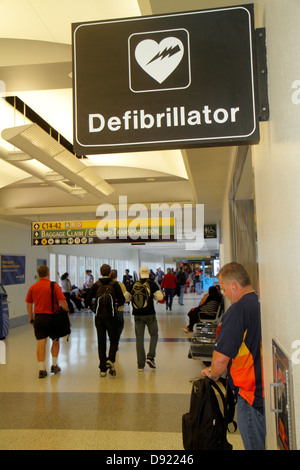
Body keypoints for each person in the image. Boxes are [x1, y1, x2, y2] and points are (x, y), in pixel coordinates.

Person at [201, 262, 266, 450]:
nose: (224, 294)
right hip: (265, 388)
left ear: (234, 286)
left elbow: (221, 359)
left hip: (249, 393)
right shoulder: (260, 302)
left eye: (223, 289)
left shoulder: (237, 310)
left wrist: (212, 372)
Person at [26, 265, 69, 379]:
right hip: (52, 318)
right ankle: (54, 365)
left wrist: (31, 318)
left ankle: (41, 369)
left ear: (39, 274)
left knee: (41, 343)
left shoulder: (33, 287)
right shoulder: (53, 286)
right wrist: (67, 311)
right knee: (55, 341)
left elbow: (29, 304)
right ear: (48, 273)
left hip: (39, 318)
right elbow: (62, 301)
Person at [86, 264, 125, 377]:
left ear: (100, 272)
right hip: (112, 317)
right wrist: (115, 306)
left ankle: (102, 369)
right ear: (109, 273)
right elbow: (122, 300)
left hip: (99, 318)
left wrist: (95, 309)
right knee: (114, 339)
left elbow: (87, 301)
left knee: (101, 342)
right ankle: (111, 359)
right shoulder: (115, 284)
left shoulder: (96, 285)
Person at [131, 265, 164, 371]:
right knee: (154, 334)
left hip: (137, 315)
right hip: (150, 314)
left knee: (139, 339)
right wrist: (153, 297)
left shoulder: (133, 284)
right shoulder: (152, 284)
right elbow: (160, 297)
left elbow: (126, 297)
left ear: (140, 274)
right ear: (149, 273)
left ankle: (140, 365)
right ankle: (150, 356)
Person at [110, 269, 131, 339]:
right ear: (117, 275)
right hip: (119, 308)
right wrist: (123, 303)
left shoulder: (107, 284)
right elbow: (125, 296)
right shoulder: (121, 285)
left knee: (111, 325)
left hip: (109, 309)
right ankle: (116, 338)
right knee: (120, 325)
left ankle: (112, 338)